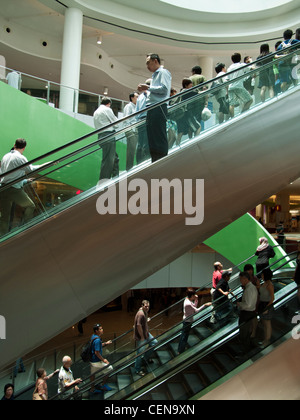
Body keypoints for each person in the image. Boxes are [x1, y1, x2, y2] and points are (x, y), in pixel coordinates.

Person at [0, 138, 46, 235]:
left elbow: (8, 175)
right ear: (24, 148)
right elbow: (31, 169)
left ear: (14, 145)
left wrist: (24, 181)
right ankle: (25, 228)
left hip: (3, 188)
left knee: (5, 217)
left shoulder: (5, 156)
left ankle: (2, 238)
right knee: (30, 206)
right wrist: (44, 164)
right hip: (14, 189)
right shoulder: (20, 158)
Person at [137, 53, 172, 163]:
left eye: (148, 63)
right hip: (152, 108)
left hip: (158, 107)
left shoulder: (163, 72)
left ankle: (161, 160)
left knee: (158, 135)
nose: (147, 66)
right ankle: (155, 159)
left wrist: (148, 87)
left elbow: (164, 89)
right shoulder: (155, 75)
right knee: (152, 136)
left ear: (155, 61)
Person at [178, 288, 211, 354]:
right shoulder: (188, 303)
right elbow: (196, 310)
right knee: (184, 336)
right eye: (194, 295)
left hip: (187, 320)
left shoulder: (187, 299)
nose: (195, 295)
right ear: (192, 295)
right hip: (187, 321)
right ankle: (181, 351)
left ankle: (180, 350)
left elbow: (194, 307)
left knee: (184, 335)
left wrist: (196, 300)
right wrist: (205, 305)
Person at [93, 97, 120, 180]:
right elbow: (116, 123)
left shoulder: (96, 111)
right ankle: (104, 181)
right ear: (109, 103)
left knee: (114, 158)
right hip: (108, 135)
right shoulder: (107, 109)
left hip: (100, 136)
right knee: (108, 161)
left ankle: (116, 178)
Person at [251, 268, 274, 348]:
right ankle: (265, 339)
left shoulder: (270, 285)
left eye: (263, 275)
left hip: (267, 305)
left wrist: (267, 308)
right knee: (264, 323)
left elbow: (272, 298)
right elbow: (260, 289)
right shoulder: (264, 283)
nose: (261, 276)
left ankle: (267, 340)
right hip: (262, 304)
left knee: (267, 324)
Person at [134, 299, 158, 376]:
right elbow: (138, 325)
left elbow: (140, 323)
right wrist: (142, 337)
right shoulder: (141, 314)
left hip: (146, 333)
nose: (147, 308)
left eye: (148, 306)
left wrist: (146, 320)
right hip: (142, 336)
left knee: (154, 343)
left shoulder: (144, 312)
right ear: (142, 306)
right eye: (146, 306)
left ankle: (145, 359)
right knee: (139, 353)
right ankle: (137, 369)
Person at [237, 271, 258, 353]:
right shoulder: (251, 287)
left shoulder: (249, 289)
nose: (240, 281)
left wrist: (240, 304)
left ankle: (245, 352)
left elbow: (248, 305)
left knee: (244, 334)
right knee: (245, 333)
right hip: (249, 313)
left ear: (245, 279)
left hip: (246, 313)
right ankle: (245, 351)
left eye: (241, 279)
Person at [227, 52, 253, 117]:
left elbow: (227, 79)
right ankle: (242, 115)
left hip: (230, 87)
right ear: (240, 58)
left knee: (231, 104)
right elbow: (253, 68)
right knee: (250, 100)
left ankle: (232, 119)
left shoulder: (229, 68)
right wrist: (251, 61)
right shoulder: (241, 65)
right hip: (239, 86)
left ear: (232, 60)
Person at [89, 323, 113, 393]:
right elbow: (97, 352)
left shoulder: (93, 336)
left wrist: (106, 343)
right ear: (96, 331)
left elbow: (97, 345)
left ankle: (92, 389)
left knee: (92, 374)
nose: (102, 330)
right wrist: (104, 360)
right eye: (100, 329)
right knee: (110, 368)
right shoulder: (97, 340)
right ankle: (103, 384)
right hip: (96, 361)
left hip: (92, 360)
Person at [135, 80, 151, 164]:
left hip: (140, 121)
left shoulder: (140, 97)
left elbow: (136, 111)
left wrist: (137, 122)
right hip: (147, 119)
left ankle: (139, 163)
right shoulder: (149, 94)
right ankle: (146, 162)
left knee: (140, 143)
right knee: (146, 143)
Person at [123, 92, 139, 171]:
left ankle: (131, 167)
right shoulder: (128, 106)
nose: (138, 98)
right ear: (132, 98)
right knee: (131, 150)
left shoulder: (137, 107)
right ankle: (129, 168)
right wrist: (129, 130)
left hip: (135, 130)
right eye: (136, 96)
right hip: (130, 130)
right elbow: (126, 119)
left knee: (133, 149)